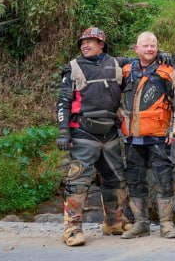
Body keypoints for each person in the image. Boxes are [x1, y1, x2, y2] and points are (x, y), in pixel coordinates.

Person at [55, 27, 134, 247]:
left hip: (110, 132)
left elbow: (144, 62)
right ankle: (72, 230)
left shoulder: (118, 64)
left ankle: (114, 222)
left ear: (102, 44)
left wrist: (161, 56)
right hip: (82, 132)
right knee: (78, 181)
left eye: (90, 41)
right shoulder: (73, 68)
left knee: (116, 178)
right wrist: (63, 131)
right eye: (82, 42)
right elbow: (63, 101)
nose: (84, 45)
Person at [119, 32, 175, 240]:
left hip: (159, 136)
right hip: (132, 138)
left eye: (153, 46)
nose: (150, 49)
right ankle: (140, 223)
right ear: (136, 49)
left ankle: (166, 224)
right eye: (145, 46)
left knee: (164, 180)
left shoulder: (167, 71)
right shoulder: (126, 70)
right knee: (134, 181)